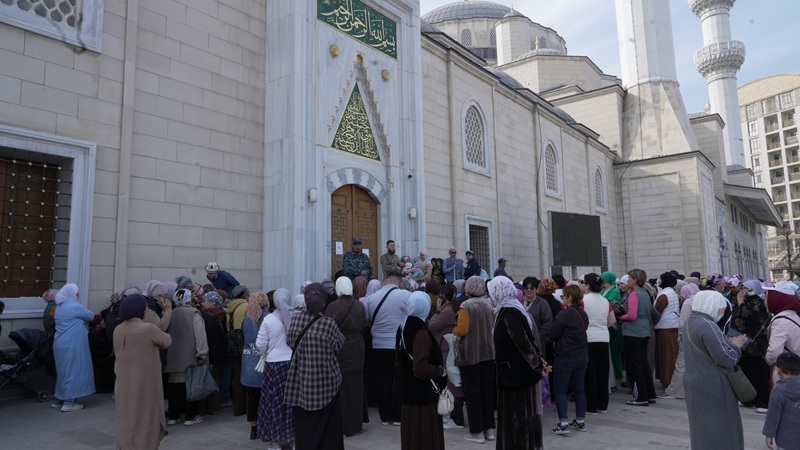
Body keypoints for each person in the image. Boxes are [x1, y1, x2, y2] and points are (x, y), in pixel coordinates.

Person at [491, 276, 550, 450]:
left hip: (516, 377)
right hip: (512, 376)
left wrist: (539, 366)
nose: (490, 296)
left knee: (519, 424)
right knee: (516, 423)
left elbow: (525, 345)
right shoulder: (506, 310)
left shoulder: (510, 314)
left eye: (491, 292)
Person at [285, 282, 345, 450]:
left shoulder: (295, 319)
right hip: (326, 384)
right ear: (324, 301)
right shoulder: (328, 323)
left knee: (304, 425)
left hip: (299, 381)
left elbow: (290, 342)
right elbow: (339, 346)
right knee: (327, 426)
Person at [683, 290, 747, 450]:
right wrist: (736, 346)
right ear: (711, 305)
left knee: (701, 428)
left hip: (695, 382)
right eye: (721, 309)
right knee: (722, 427)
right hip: (713, 385)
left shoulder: (690, 321)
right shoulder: (708, 324)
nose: (722, 313)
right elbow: (726, 358)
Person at [113, 294, 172, 450]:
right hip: (144, 383)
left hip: (123, 382)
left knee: (126, 419)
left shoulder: (118, 329)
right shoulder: (148, 329)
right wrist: (167, 312)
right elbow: (166, 340)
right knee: (146, 420)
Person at [396, 291, 447, 450]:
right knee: (424, 434)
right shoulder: (421, 332)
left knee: (412, 434)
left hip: (409, 390)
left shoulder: (403, 327)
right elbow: (420, 368)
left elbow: (399, 360)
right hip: (422, 395)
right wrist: (439, 371)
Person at [361, 271, 410, 425]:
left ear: (384, 281)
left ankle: (385, 416)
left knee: (383, 379)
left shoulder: (371, 298)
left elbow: (367, 321)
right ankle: (398, 416)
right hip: (398, 344)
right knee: (399, 380)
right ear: (399, 282)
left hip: (378, 344)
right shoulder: (405, 295)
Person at [454, 275, 496, 444]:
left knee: (473, 394)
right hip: (488, 353)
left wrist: (454, 329)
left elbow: (462, 330)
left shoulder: (466, 306)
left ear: (468, 289)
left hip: (471, 354)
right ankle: (489, 430)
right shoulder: (488, 304)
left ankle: (477, 432)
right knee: (486, 392)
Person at [325, 277, 368, 437]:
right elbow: (363, 324)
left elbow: (328, 327)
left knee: (340, 388)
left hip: (339, 348)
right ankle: (355, 425)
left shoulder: (332, 306)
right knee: (355, 386)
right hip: (357, 348)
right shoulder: (359, 305)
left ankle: (343, 426)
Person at [256, 288, 295, 449]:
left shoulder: (268, 319)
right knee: (292, 403)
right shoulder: (296, 316)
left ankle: (274, 441)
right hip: (292, 363)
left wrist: (267, 352)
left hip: (273, 365)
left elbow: (260, 344)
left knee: (273, 402)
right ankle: (293, 438)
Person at [163, 289, 209, 426]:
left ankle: (173, 416)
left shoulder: (169, 313)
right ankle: (190, 416)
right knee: (191, 387)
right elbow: (200, 334)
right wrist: (202, 353)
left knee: (174, 387)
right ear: (189, 299)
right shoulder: (193, 313)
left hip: (172, 356)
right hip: (190, 356)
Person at [550, 284, 590, 434]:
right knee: (579, 389)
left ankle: (563, 423)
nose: (563, 299)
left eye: (564, 296)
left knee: (560, 390)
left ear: (570, 297)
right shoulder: (583, 313)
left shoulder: (564, 314)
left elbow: (553, 335)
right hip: (582, 355)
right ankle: (580, 420)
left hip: (565, 356)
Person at [51, 283, 95, 412]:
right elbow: (91, 316)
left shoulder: (59, 307)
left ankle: (58, 399)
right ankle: (69, 402)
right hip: (73, 343)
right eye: (76, 292)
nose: (78, 294)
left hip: (60, 343)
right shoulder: (74, 306)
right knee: (73, 371)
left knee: (63, 371)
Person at [730, 280, 771, 411]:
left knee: (758, 374)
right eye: (742, 287)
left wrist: (740, 301)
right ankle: (748, 399)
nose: (743, 290)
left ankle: (763, 402)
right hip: (743, 344)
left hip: (755, 345)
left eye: (746, 288)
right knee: (746, 373)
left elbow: (750, 315)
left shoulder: (759, 303)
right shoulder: (747, 302)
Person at [618, 269, 657, 406]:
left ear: (635, 280)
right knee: (643, 363)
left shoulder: (634, 294)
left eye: (629, 277)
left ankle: (640, 397)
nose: (628, 279)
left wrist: (620, 317)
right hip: (644, 330)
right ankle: (649, 394)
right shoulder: (645, 293)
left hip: (633, 332)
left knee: (635, 366)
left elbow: (632, 315)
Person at [428, 283, 464, 429]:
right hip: (450, 349)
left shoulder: (447, 311)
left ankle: (456, 418)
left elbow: (432, 326)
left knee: (452, 384)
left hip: (447, 350)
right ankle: (452, 415)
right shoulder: (453, 308)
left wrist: (437, 310)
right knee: (452, 382)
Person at [582, 273, 615, 414]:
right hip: (603, 338)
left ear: (587, 285)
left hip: (588, 338)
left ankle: (591, 406)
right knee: (602, 372)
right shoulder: (605, 301)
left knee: (590, 373)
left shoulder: (583, 300)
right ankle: (602, 405)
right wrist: (602, 326)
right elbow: (612, 320)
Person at [663, 282, 700, 399]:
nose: (682, 297)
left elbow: (683, 323)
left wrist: (680, 338)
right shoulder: (700, 301)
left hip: (687, 338)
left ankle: (674, 391)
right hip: (699, 338)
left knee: (681, 365)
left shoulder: (687, 303)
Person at [242, 291, 270, 439]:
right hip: (264, 361)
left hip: (249, 361)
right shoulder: (269, 317)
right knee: (266, 397)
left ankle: (253, 428)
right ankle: (265, 426)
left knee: (252, 397)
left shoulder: (246, 318)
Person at [762, 352, 800, 450]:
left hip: (786, 439)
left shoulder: (778, 391)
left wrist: (769, 434)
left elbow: (773, 416)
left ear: (778, 370)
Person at [197, 291, 227, 416]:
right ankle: (214, 406)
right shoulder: (222, 315)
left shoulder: (204, 317)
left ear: (213, 304)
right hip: (219, 353)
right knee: (215, 380)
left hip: (209, 354)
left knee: (205, 381)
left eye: (206, 300)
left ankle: (204, 408)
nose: (202, 302)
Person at [764, 281, 800, 380]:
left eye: (767, 298)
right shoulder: (791, 315)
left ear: (777, 300)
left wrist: (769, 361)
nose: (765, 302)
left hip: (788, 373)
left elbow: (774, 353)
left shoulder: (781, 321)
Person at [654, 272, 680, 387]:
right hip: (671, 326)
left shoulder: (664, 295)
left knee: (667, 356)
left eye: (660, 279)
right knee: (670, 355)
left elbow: (657, 312)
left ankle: (668, 381)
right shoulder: (671, 292)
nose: (658, 281)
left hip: (665, 328)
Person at [227, 285, 250, 416]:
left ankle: (238, 407)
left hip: (232, 346)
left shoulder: (230, 306)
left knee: (236, 377)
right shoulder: (245, 306)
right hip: (243, 345)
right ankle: (246, 406)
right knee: (246, 377)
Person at [523, 277, 553, 352]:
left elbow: (547, 323)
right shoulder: (520, 302)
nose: (529, 290)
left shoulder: (542, 303)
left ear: (536, 289)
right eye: (526, 288)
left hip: (537, 344)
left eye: (532, 288)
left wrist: (537, 337)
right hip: (522, 343)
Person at [88, 315, 115, 393]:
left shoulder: (104, 332)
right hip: (97, 359)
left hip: (105, 356)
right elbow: (94, 351)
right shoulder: (90, 335)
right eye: (102, 321)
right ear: (97, 324)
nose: (104, 323)